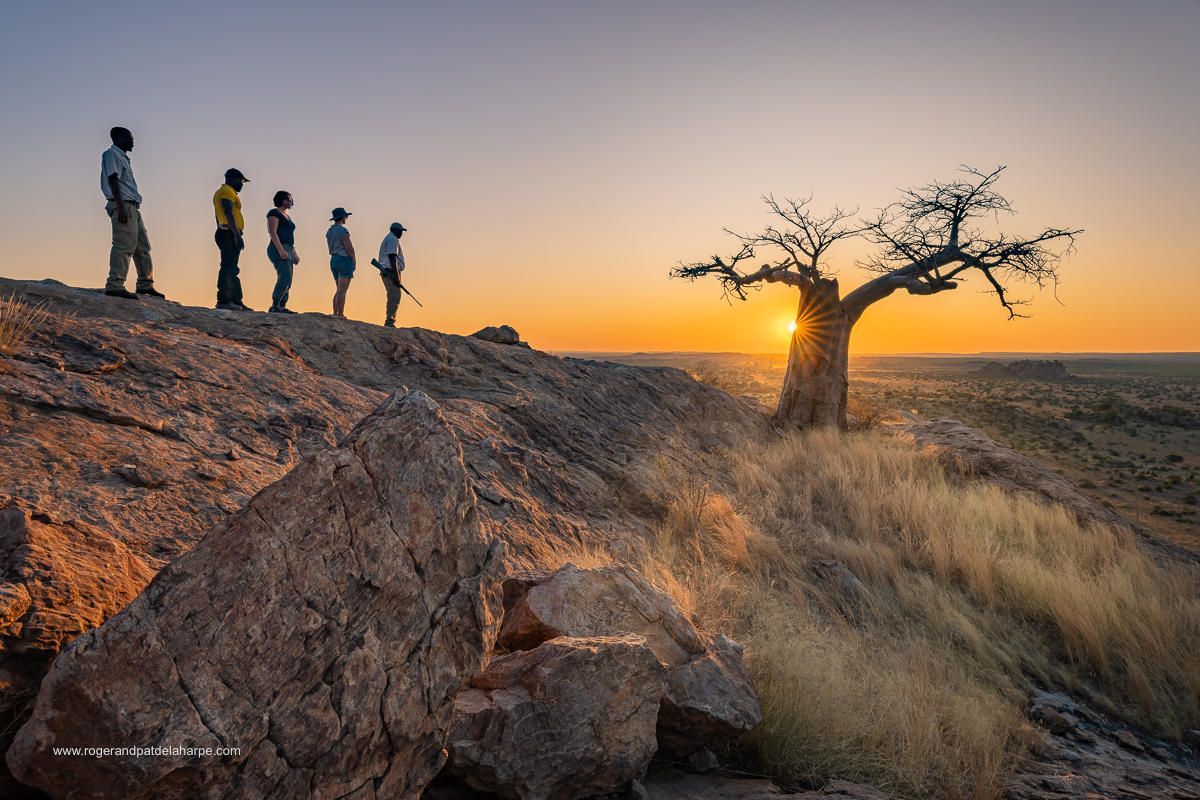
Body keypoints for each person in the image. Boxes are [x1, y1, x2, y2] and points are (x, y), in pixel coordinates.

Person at [100, 127, 164, 299]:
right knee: (123, 245)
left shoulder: (123, 158)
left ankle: (145, 284)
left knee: (142, 247)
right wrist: (120, 207)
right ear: (118, 138)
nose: (133, 141)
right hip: (123, 205)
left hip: (133, 206)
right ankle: (115, 284)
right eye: (129, 138)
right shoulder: (111, 154)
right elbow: (113, 180)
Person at [213, 168, 252, 311]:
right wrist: (236, 234)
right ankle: (224, 300)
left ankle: (236, 300)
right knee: (228, 267)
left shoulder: (224, 192)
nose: (242, 184)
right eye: (241, 181)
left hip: (226, 231)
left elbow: (218, 215)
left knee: (232, 268)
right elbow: (228, 211)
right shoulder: (227, 192)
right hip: (229, 233)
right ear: (232, 179)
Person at [266, 191, 299, 314]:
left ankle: (282, 306)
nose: (290, 202)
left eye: (291, 200)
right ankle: (275, 305)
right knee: (284, 277)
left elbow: (290, 236)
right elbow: (272, 232)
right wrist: (281, 250)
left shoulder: (287, 215)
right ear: (281, 200)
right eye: (288, 199)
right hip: (277, 247)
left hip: (289, 248)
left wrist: (293, 252)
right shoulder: (274, 213)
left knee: (289, 279)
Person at [326, 208, 355, 318]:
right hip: (344, 259)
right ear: (343, 217)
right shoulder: (343, 230)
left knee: (338, 289)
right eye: (346, 216)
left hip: (333, 259)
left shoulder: (329, 231)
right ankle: (341, 314)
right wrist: (353, 260)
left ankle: (335, 312)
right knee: (343, 290)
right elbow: (348, 247)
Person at [377, 222, 407, 327]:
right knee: (394, 295)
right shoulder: (392, 239)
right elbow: (392, 258)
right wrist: (397, 276)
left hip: (391, 270)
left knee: (394, 295)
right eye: (400, 231)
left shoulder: (391, 239)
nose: (401, 234)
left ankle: (390, 320)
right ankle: (389, 322)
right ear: (395, 230)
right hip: (390, 271)